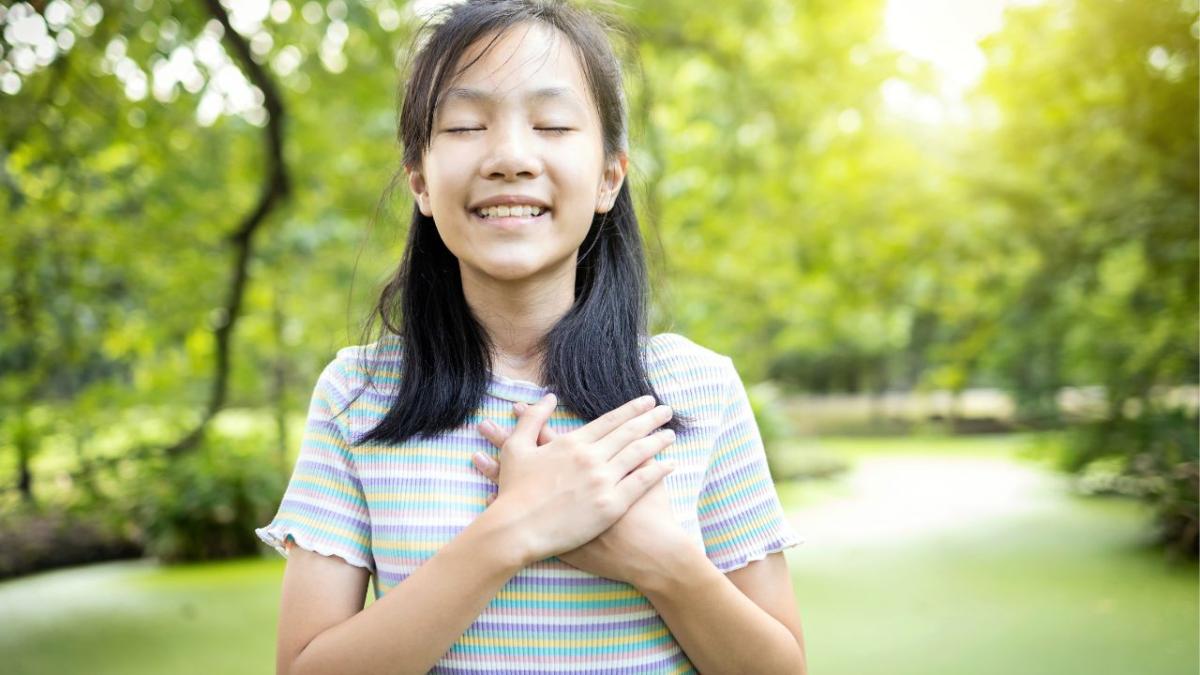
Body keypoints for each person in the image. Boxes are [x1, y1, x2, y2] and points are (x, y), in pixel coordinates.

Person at [255, 1, 807, 673]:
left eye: (551, 124)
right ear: (421, 181)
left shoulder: (698, 387)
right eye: (464, 124)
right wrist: (516, 528)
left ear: (609, 177)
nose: (510, 157)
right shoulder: (359, 392)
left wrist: (660, 560)